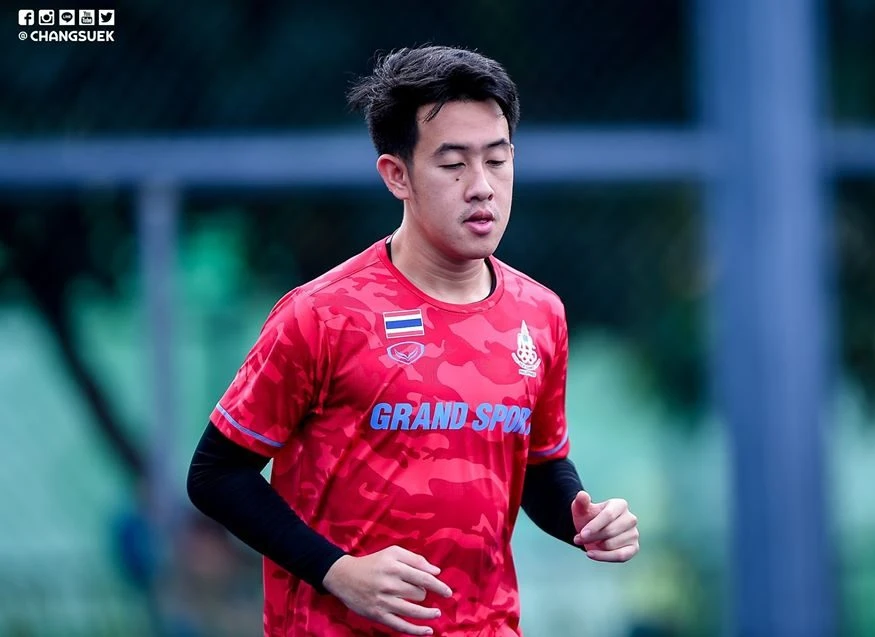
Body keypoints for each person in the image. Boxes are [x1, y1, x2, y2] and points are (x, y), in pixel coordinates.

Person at [186, 44, 639, 637]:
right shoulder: (322, 314)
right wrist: (336, 570)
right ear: (396, 175)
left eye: (497, 160)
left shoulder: (540, 313)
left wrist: (584, 518)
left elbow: (538, 465)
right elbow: (216, 474)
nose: (482, 186)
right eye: (453, 164)